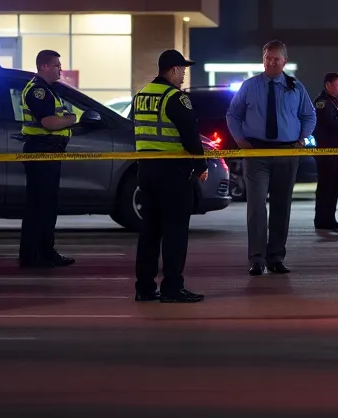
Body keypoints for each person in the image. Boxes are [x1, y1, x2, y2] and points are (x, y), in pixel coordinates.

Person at [226, 40, 317, 275]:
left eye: (276, 59)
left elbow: (309, 115)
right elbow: (233, 115)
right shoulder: (249, 86)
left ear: (285, 61)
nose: (271, 62)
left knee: (281, 206)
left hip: (287, 152)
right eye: (268, 58)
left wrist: (301, 138)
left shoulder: (296, 88)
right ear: (263, 59)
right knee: (256, 206)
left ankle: (276, 257)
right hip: (256, 153)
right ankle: (256, 258)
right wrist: (241, 141)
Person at [131, 50, 208, 303]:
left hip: (146, 172)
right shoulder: (175, 98)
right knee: (175, 232)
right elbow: (191, 136)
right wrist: (200, 165)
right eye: (183, 70)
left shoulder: (141, 95)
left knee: (149, 232)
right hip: (173, 173)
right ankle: (172, 287)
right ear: (173, 70)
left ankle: (144, 287)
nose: (184, 75)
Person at [18, 49, 77, 269]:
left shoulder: (48, 90)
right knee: (41, 206)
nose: (60, 69)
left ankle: (42, 252)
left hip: (48, 151)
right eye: (56, 65)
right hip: (42, 151)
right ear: (44, 66)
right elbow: (49, 123)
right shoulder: (38, 91)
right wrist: (71, 119)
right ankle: (37, 255)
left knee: (45, 205)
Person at [312, 71, 338, 230]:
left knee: (335, 184)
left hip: (336, 149)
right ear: (328, 85)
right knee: (326, 185)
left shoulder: (333, 101)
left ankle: (330, 217)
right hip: (327, 151)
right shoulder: (322, 102)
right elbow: (329, 123)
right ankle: (322, 219)